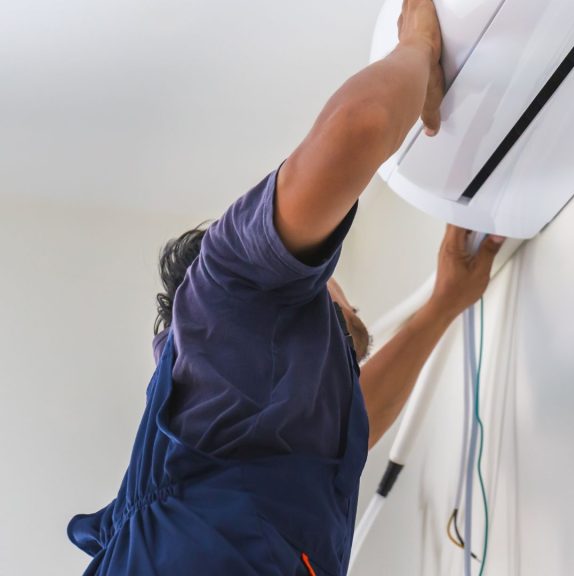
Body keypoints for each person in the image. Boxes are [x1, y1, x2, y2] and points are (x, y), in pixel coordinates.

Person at [67, 1, 504, 573]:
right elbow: (360, 128)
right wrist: (417, 52)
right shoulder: (228, 332)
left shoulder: (227, 309)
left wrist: (417, 49)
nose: (344, 292)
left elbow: (359, 128)